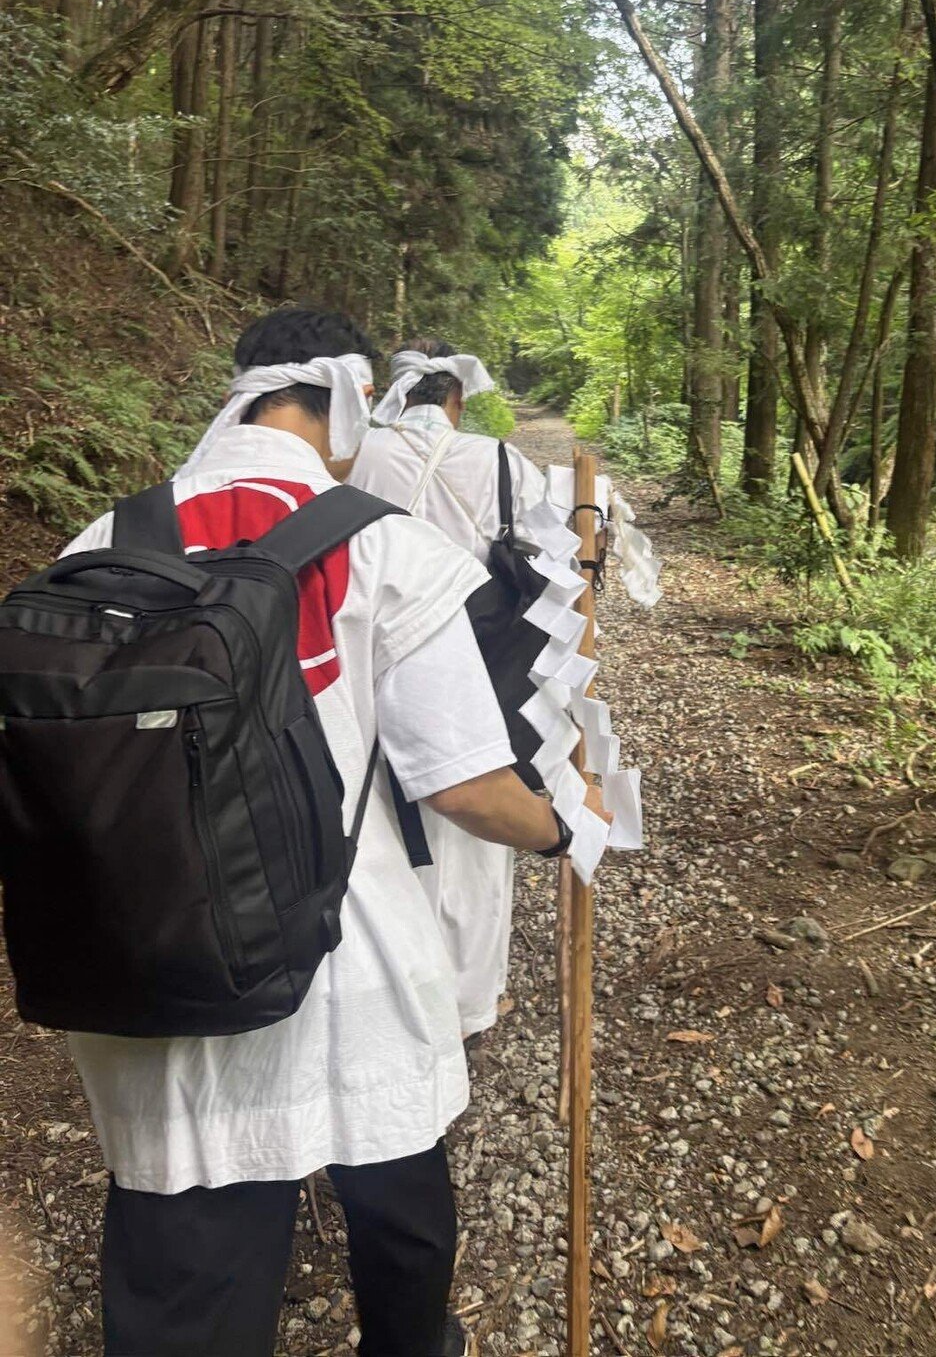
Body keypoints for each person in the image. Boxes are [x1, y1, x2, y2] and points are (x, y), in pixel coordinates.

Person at [59, 307, 611, 1357]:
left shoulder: (104, 539)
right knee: (397, 1212)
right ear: (348, 399)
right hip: (344, 968)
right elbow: (464, 787)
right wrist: (563, 827)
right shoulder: (382, 546)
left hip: (151, 964)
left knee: (187, 1270)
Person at [350, 342, 589, 1039]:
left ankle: (376, 994)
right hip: (477, 667)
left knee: (367, 824)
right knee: (472, 831)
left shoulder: (354, 456)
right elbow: (560, 562)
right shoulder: (501, 462)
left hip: (363, 659)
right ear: (457, 397)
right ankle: (462, 1008)